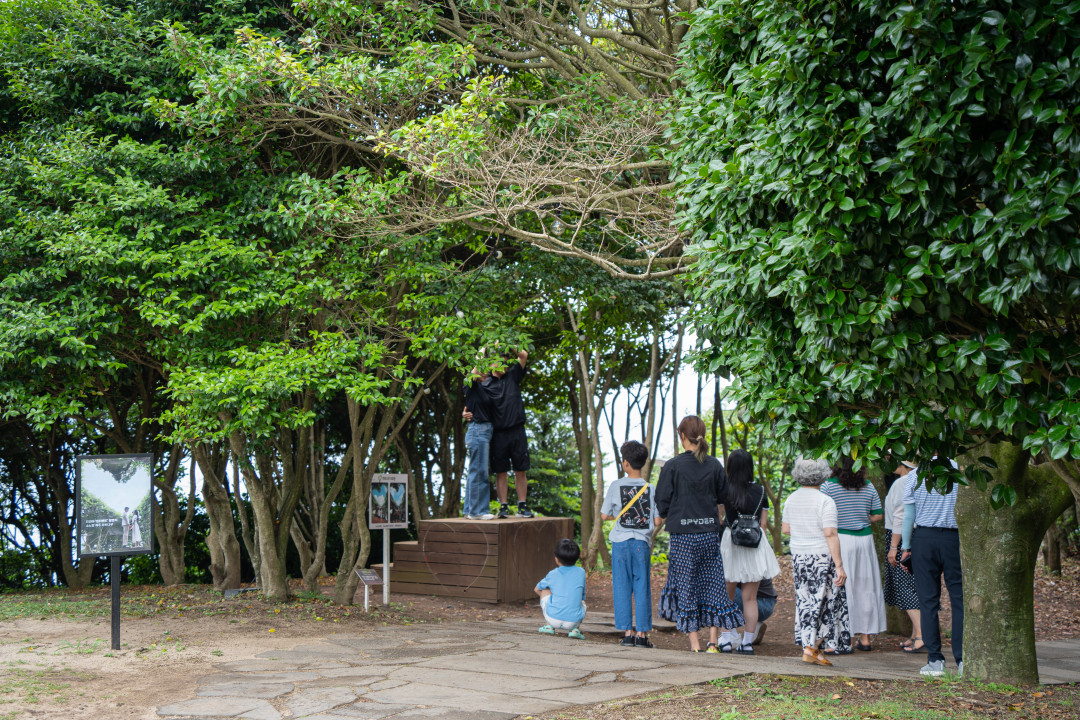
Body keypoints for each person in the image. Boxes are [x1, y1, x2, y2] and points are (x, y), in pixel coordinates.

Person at [655, 415, 743, 653]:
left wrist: (670, 512)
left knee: (687, 587)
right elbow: (724, 496)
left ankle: (695, 645)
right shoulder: (714, 464)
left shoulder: (672, 466)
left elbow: (661, 502)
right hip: (709, 534)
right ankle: (713, 643)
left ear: (682, 436)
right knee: (713, 585)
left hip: (683, 536)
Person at [782, 458, 850, 666]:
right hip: (821, 557)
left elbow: (786, 529)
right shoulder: (825, 501)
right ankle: (811, 647)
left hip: (800, 556)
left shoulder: (791, 499)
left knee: (805, 603)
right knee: (827, 601)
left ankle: (812, 647)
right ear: (823, 474)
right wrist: (839, 565)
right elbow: (830, 533)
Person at [901, 458, 963, 678]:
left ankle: (935, 661)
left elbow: (909, 515)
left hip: (924, 539)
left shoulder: (915, 474)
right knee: (959, 600)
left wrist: (906, 547)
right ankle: (963, 659)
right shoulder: (960, 469)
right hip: (956, 539)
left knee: (928, 601)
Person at [821, 457, 887, 651]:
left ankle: (844, 637)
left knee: (842, 588)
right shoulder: (868, 486)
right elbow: (877, 514)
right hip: (864, 541)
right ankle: (865, 638)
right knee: (866, 587)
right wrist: (861, 516)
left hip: (841, 539)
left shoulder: (828, 487)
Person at [718, 448, 781, 655]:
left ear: (730, 467)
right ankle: (746, 643)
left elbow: (721, 519)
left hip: (731, 543)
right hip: (754, 544)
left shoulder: (724, 489)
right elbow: (762, 525)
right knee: (750, 599)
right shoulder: (760, 491)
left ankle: (726, 638)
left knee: (726, 596)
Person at [600, 440, 657, 648]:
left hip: (621, 544)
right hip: (642, 543)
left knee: (622, 586)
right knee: (642, 586)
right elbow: (658, 520)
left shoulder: (616, 486)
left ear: (625, 463)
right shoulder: (650, 488)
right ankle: (641, 635)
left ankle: (627, 634)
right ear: (642, 463)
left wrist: (618, 514)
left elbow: (605, 515)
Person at [883, 460, 922, 652]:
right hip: (915, 536)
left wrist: (894, 546)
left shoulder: (902, 483)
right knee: (914, 586)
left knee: (905, 587)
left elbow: (901, 516)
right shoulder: (919, 479)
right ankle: (916, 634)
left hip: (900, 537)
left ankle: (922, 635)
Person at [488, 349, 533, 519]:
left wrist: (507, 343)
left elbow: (523, 355)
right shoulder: (486, 383)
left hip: (517, 430)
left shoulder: (513, 375)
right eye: (500, 360)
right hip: (498, 433)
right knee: (501, 471)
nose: (504, 363)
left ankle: (522, 505)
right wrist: (466, 413)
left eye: (506, 360)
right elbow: (473, 400)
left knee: (520, 469)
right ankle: (503, 506)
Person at [461, 364, 496, 520]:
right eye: (482, 370)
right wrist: (485, 346)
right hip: (478, 431)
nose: (485, 373)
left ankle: (469, 510)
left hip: (483, 431)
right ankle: (477, 511)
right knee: (479, 472)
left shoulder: (482, 389)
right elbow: (473, 372)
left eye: (487, 371)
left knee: (475, 471)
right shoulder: (470, 385)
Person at [535, 538, 587, 639]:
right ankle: (576, 629)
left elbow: (537, 589)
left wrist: (552, 599)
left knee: (545, 589)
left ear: (556, 558)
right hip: (574, 621)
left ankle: (548, 626)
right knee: (582, 602)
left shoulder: (552, 574)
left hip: (552, 618)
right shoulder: (581, 572)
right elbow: (582, 596)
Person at [732, 577, 777, 645]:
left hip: (761, 603)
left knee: (720, 586)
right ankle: (750, 631)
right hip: (765, 603)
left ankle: (731, 635)